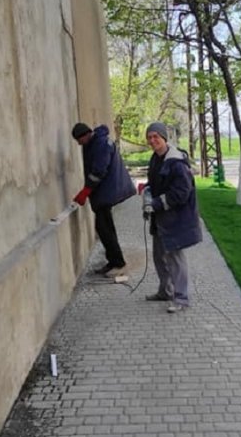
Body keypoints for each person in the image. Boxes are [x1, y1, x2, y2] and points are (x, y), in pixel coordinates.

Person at [142, 122, 202, 312]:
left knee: (175, 259)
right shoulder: (155, 158)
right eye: (149, 137)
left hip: (177, 218)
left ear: (164, 138)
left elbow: (182, 193)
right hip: (160, 219)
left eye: (156, 137)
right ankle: (165, 292)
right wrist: (147, 196)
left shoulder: (176, 163)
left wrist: (156, 203)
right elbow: (154, 184)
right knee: (159, 256)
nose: (153, 141)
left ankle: (181, 299)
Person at [71, 122, 136, 275]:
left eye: (79, 140)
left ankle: (118, 263)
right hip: (104, 191)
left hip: (106, 191)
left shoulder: (100, 144)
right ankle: (114, 260)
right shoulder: (96, 142)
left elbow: (99, 170)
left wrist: (86, 191)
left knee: (103, 228)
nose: (79, 144)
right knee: (106, 227)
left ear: (85, 135)